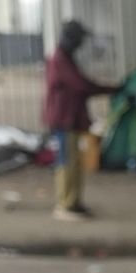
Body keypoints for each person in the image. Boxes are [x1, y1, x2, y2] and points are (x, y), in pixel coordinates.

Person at [40, 20, 114, 221]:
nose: (81, 43)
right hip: (63, 120)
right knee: (66, 163)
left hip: (70, 119)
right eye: (79, 39)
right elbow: (81, 85)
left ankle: (73, 202)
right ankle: (65, 205)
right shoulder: (60, 60)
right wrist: (111, 89)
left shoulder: (65, 58)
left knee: (73, 163)